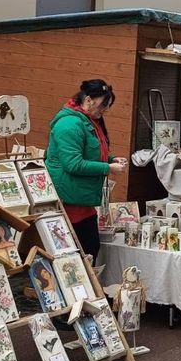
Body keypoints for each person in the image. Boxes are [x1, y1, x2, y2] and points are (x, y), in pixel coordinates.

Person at [48, 79, 126, 259]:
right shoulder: (69, 124)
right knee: (78, 252)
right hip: (69, 198)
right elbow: (73, 163)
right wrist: (108, 167)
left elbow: (90, 154)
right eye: (102, 105)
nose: (104, 110)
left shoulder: (89, 120)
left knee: (90, 248)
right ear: (88, 100)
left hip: (83, 198)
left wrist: (112, 159)